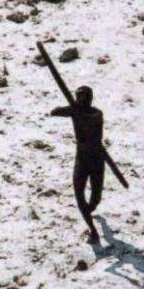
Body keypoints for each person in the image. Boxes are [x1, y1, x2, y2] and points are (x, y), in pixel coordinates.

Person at [50, 86, 105, 244]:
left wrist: (74, 110)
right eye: (79, 97)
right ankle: (93, 230)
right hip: (81, 160)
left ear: (90, 99)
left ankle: (88, 211)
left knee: (95, 198)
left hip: (96, 160)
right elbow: (55, 112)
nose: (81, 100)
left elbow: (90, 120)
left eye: (84, 97)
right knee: (79, 196)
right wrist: (71, 109)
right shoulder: (75, 111)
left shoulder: (97, 114)